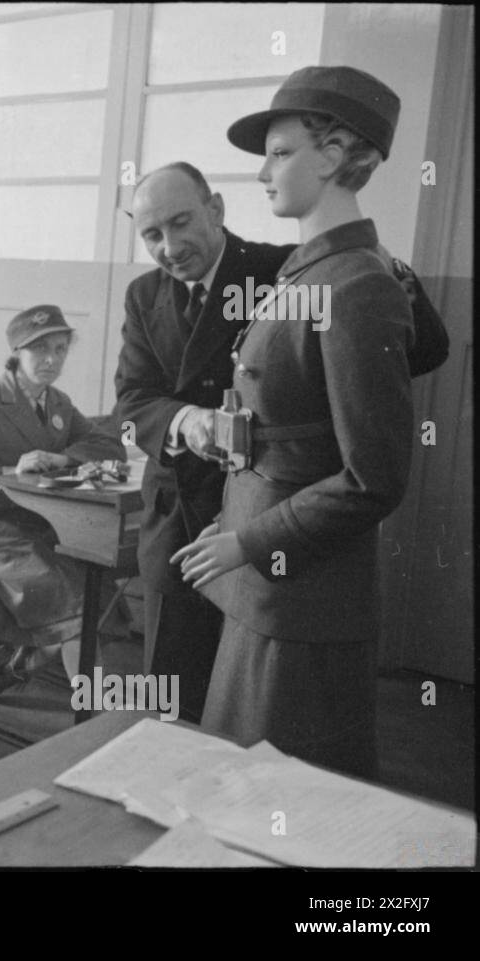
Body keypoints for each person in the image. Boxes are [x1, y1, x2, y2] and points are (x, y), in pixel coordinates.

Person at [114, 159, 444, 724]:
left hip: (268, 512)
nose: (169, 247)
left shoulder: (281, 270)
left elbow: (425, 349)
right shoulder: (145, 294)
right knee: (171, 698)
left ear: (215, 209)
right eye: (152, 234)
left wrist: (379, 262)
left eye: (181, 222)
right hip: (178, 517)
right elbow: (135, 397)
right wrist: (187, 421)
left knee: (254, 705)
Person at [171, 66, 414, 780]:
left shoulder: (359, 284)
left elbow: (374, 477)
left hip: (305, 600)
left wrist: (252, 538)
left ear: (336, 154)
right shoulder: (310, 272)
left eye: (280, 153)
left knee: (283, 799)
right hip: (266, 585)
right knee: (243, 786)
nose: (263, 173)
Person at [0, 306, 125, 702]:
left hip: (43, 525)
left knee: (96, 586)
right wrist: (11, 475)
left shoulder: (57, 402)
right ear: (17, 352)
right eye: (39, 349)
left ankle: (23, 662)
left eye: (60, 348)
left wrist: (63, 458)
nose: (52, 360)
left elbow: (108, 445)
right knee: (73, 602)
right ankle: (96, 716)